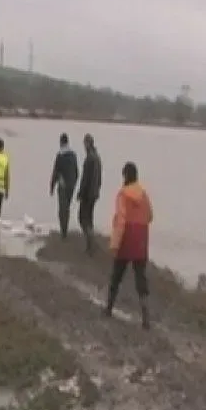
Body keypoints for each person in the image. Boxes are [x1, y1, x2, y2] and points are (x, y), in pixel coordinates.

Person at [105, 162, 154, 329]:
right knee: (141, 278)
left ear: (125, 176)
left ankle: (109, 308)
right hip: (141, 238)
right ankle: (146, 317)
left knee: (116, 276)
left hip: (126, 238)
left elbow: (120, 220)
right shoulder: (144, 194)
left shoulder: (123, 195)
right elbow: (150, 216)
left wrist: (114, 244)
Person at [76, 133, 102, 254]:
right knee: (89, 218)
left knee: (82, 218)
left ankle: (90, 243)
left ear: (87, 144)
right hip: (94, 193)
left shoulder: (89, 159)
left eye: (84, 143)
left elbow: (85, 179)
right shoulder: (97, 157)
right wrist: (97, 190)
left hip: (87, 194)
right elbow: (100, 178)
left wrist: (80, 193)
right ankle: (90, 244)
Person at [49, 133, 79, 238]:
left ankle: (64, 231)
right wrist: (74, 183)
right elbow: (77, 171)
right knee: (67, 207)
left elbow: (55, 172)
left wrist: (52, 186)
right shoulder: (74, 155)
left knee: (62, 209)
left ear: (61, 142)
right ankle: (65, 229)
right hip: (71, 185)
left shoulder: (60, 155)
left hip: (63, 186)